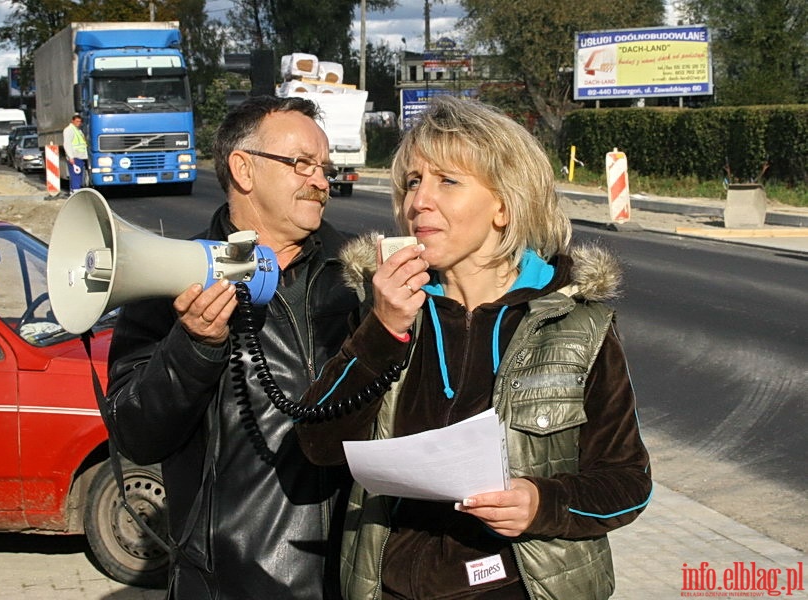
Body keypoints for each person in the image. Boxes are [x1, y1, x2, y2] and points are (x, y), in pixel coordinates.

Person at [296, 95, 653, 600]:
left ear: (505, 205)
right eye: (413, 182)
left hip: (515, 587)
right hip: (390, 586)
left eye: (448, 181)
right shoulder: (389, 308)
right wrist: (382, 329)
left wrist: (541, 502)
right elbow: (319, 444)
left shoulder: (578, 326)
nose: (419, 201)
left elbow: (627, 485)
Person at [104, 95, 359, 598]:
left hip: (355, 572)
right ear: (243, 168)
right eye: (301, 164)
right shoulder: (168, 276)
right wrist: (193, 346)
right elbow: (136, 434)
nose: (322, 181)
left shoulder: (358, 273)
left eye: (325, 167)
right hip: (231, 581)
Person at [62, 114, 87, 193]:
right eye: (77, 121)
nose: (78, 123)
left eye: (80, 121)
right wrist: (71, 157)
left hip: (80, 157)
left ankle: (74, 191)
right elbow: (67, 144)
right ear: (72, 121)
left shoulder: (78, 130)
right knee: (76, 175)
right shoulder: (69, 130)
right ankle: (76, 192)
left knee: (78, 176)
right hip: (75, 156)